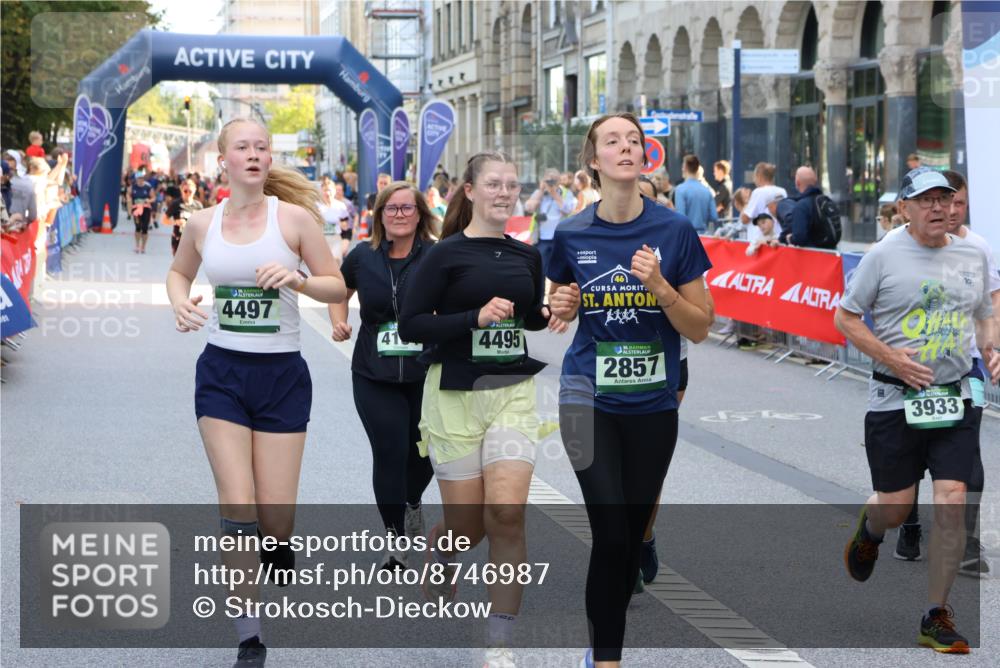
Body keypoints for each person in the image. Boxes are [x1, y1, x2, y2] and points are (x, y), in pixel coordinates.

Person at [166, 118, 347, 668]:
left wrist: (297, 280)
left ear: (270, 159)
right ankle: (249, 634)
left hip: (282, 378)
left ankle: (278, 540)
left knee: (276, 517)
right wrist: (180, 301)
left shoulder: (292, 220)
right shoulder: (202, 223)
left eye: (261, 146)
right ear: (222, 158)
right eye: (241, 146)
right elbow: (178, 274)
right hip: (221, 374)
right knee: (238, 503)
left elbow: (337, 284)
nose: (253, 153)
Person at [547, 113, 712, 667]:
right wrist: (562, 306)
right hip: (584, 393)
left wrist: (661, 286)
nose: (626, 147)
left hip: (653, 401)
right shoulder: (571, 232)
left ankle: (604, 644)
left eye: (634, 140)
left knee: (630, 533)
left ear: (645, 157)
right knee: (610, 532)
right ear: (593, 160)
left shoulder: (674, 232)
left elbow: (700, 326)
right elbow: (559, 302)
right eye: (612, 141)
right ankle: (607, 659)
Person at [398, 151, 568, 668]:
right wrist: (473, 316)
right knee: (468, 526)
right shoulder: (442, 255)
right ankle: (442, 548)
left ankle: (499, 643)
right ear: (469, 191)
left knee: (506, 513)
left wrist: (552, 310)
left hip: (511, 391)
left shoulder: (526, 256)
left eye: (512, 184)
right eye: (493, 183)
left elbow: (527, 321)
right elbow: (411, 326)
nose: (504, 192)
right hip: (452, 395)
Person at [836, 166, 999, 654]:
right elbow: (845, 317)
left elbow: (984, 314)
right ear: (904, 208)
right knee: (896, 506)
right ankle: (871, 528)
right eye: (925, 200)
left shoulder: (973, 252)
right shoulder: (883, 255)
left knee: (952, 501)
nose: (937, 208)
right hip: (894, 399)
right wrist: (889, 357)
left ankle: (936, 614)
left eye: (944, 199)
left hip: (954, 396)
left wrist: (991, 349)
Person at [891, 170, 999, 577]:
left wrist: (992, 348)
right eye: (942, 203)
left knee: (966, 452)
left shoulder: (978, 247)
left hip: (965, 365)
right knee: (913, 454)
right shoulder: (893, 245)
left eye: (958, 203)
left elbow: (993, 302)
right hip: (914, 367)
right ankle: (909, 524)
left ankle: (967, 544)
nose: (950, 211)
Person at [330, 182, 437, 569]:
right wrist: (339, 321)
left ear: (420, 213)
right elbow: (338, 289)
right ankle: (394, 537)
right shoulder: (363, 256)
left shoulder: (437, 256)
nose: (399, 215)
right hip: (374, 372)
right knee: (390, 450)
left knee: (425, 454)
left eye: (407, 208)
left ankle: (412, 500)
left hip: (427, 371)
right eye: (390, 209)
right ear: (379, 216)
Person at [524, 167, 577, 275]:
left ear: (558, 181)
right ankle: (541, 292)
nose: (551, 183)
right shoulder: (539, 193)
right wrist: (541, 191)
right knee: (540, 271)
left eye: (553, 180)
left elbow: (568, 209)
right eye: (548, 180)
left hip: (559, 239)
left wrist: (554, 194)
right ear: (543, 180)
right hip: (541, 239)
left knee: (560, 271)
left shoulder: (566, 193)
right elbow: (529, 208)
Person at [741, 162, 787, 244]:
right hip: (778, 241)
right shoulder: (782, 191)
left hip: (760, 243)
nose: (754, 180)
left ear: (759, 176)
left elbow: (744, 219)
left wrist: (746, 202)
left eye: (754, 177)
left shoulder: (759, 192)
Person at [672, 154, 717, 233]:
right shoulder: (707, 190)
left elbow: (681, 217)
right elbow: (714, 216)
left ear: (685, 168)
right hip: (704, 236)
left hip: (687, 234)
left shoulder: (680, 189)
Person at [165, 178, 203, 256]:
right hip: (178, 239)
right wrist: (176, 222)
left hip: (193, 241)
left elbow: (203, 224)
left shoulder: (198, 206)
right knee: (179, 266)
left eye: (190, 191)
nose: (188, 193)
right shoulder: (176, 204)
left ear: (195, 190)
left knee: (191, 266)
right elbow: (164, 220)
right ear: (181, 190)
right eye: (185, 191)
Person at [318, 183, 347, 262]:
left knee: (336, 262)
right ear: (321, 191)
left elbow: (345, 226)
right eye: (325, 190)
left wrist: (346, 241)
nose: (327, 193)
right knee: (322, 263)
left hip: (335, 238)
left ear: (334, 191)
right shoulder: (316, 205)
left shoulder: (341, 205)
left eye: (329, 190)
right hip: (321, 239)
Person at [128, 171, 154, 254]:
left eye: (142, 178)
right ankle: (137, 245)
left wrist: (148, 200)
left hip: (146, 209)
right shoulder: (132, 187)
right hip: (136, 209)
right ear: (136, 179)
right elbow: (128, 196)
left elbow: (154, 197)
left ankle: (143, 247)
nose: (140, 180)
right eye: (139, 178)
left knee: (145, 228)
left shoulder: (148, 187)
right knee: (138, 227)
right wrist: (129, 209)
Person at [334, 181, 358, 257]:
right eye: (336, 190)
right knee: (341, 253)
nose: (337, 192)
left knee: (342, 251)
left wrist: (354, 227)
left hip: (346, 230)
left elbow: (356, 215)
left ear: (343, 192)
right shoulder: (330, 203)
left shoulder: (347, 203)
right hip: (335, 231)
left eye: (339, 190)